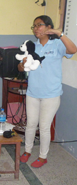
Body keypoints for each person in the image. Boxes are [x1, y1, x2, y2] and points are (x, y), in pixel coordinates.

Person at [18, 15, 77, 168]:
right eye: (34, 26)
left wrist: (59, 34)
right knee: (30, 124)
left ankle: (43, 157)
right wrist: (23, 64)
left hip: (51, 94)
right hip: (32, 93)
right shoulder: (32, 46)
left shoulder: (57, 44)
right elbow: (20, 68)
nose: (36, 28)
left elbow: (73, 50)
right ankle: (27, 150)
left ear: (48, 27)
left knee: (44, 127)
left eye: (39, 25)